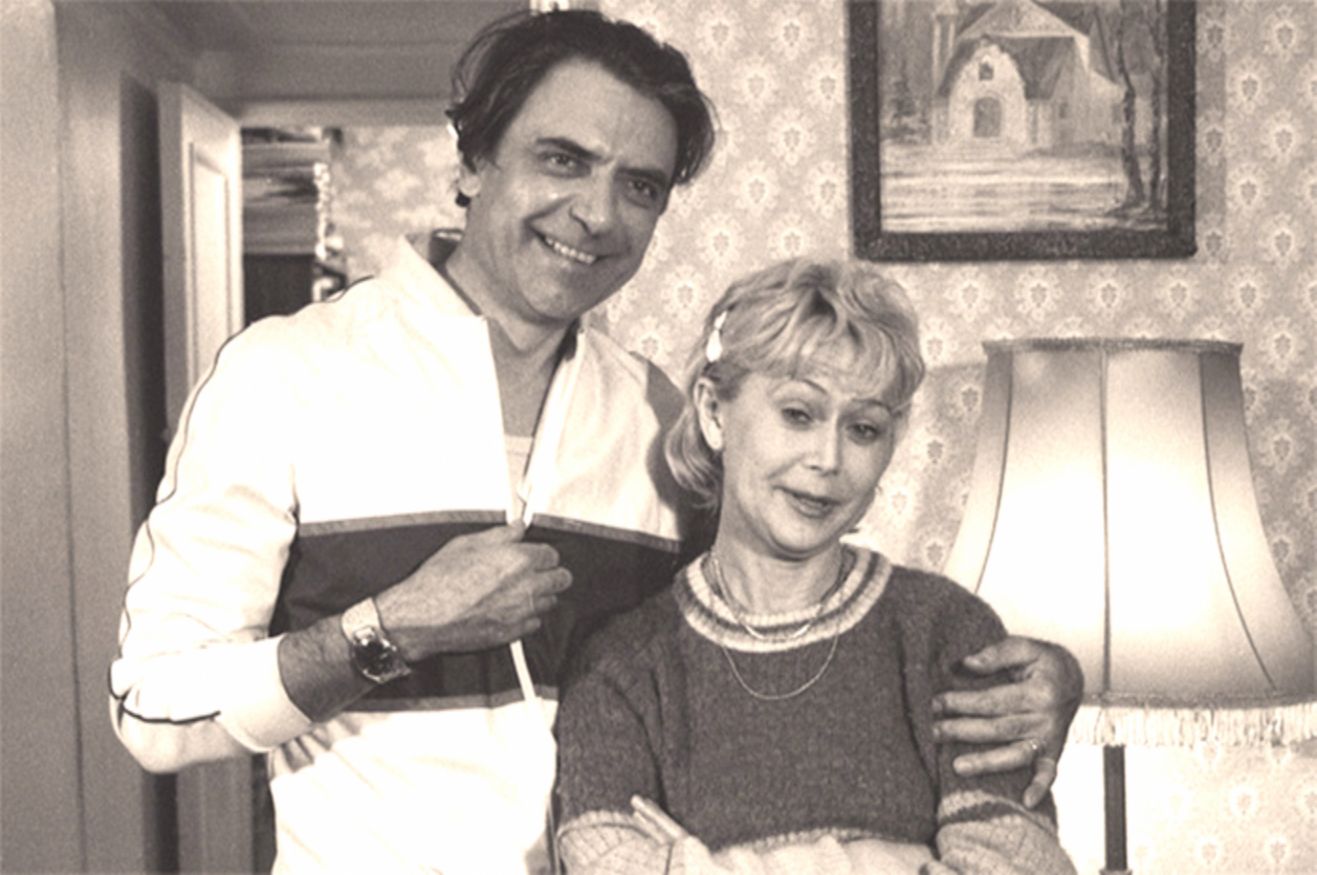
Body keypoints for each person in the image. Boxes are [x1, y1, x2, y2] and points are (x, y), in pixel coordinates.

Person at [109, 9, 1079, 874]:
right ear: (472, 161)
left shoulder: (661, 413)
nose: (598, 213)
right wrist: (388, 628)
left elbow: (769, 635)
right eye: (563, 159)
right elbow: (152, 706)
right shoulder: (283, 374)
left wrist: (1047, 682)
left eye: (639, 186)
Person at [554, 257, 1077, 874]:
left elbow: (1019, 865)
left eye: (863, 429)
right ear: (714, 412)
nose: (828, 459)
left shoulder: (946, 633)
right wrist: (892, 859)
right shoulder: (624, 665)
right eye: (798, 414)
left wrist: (714, 865)